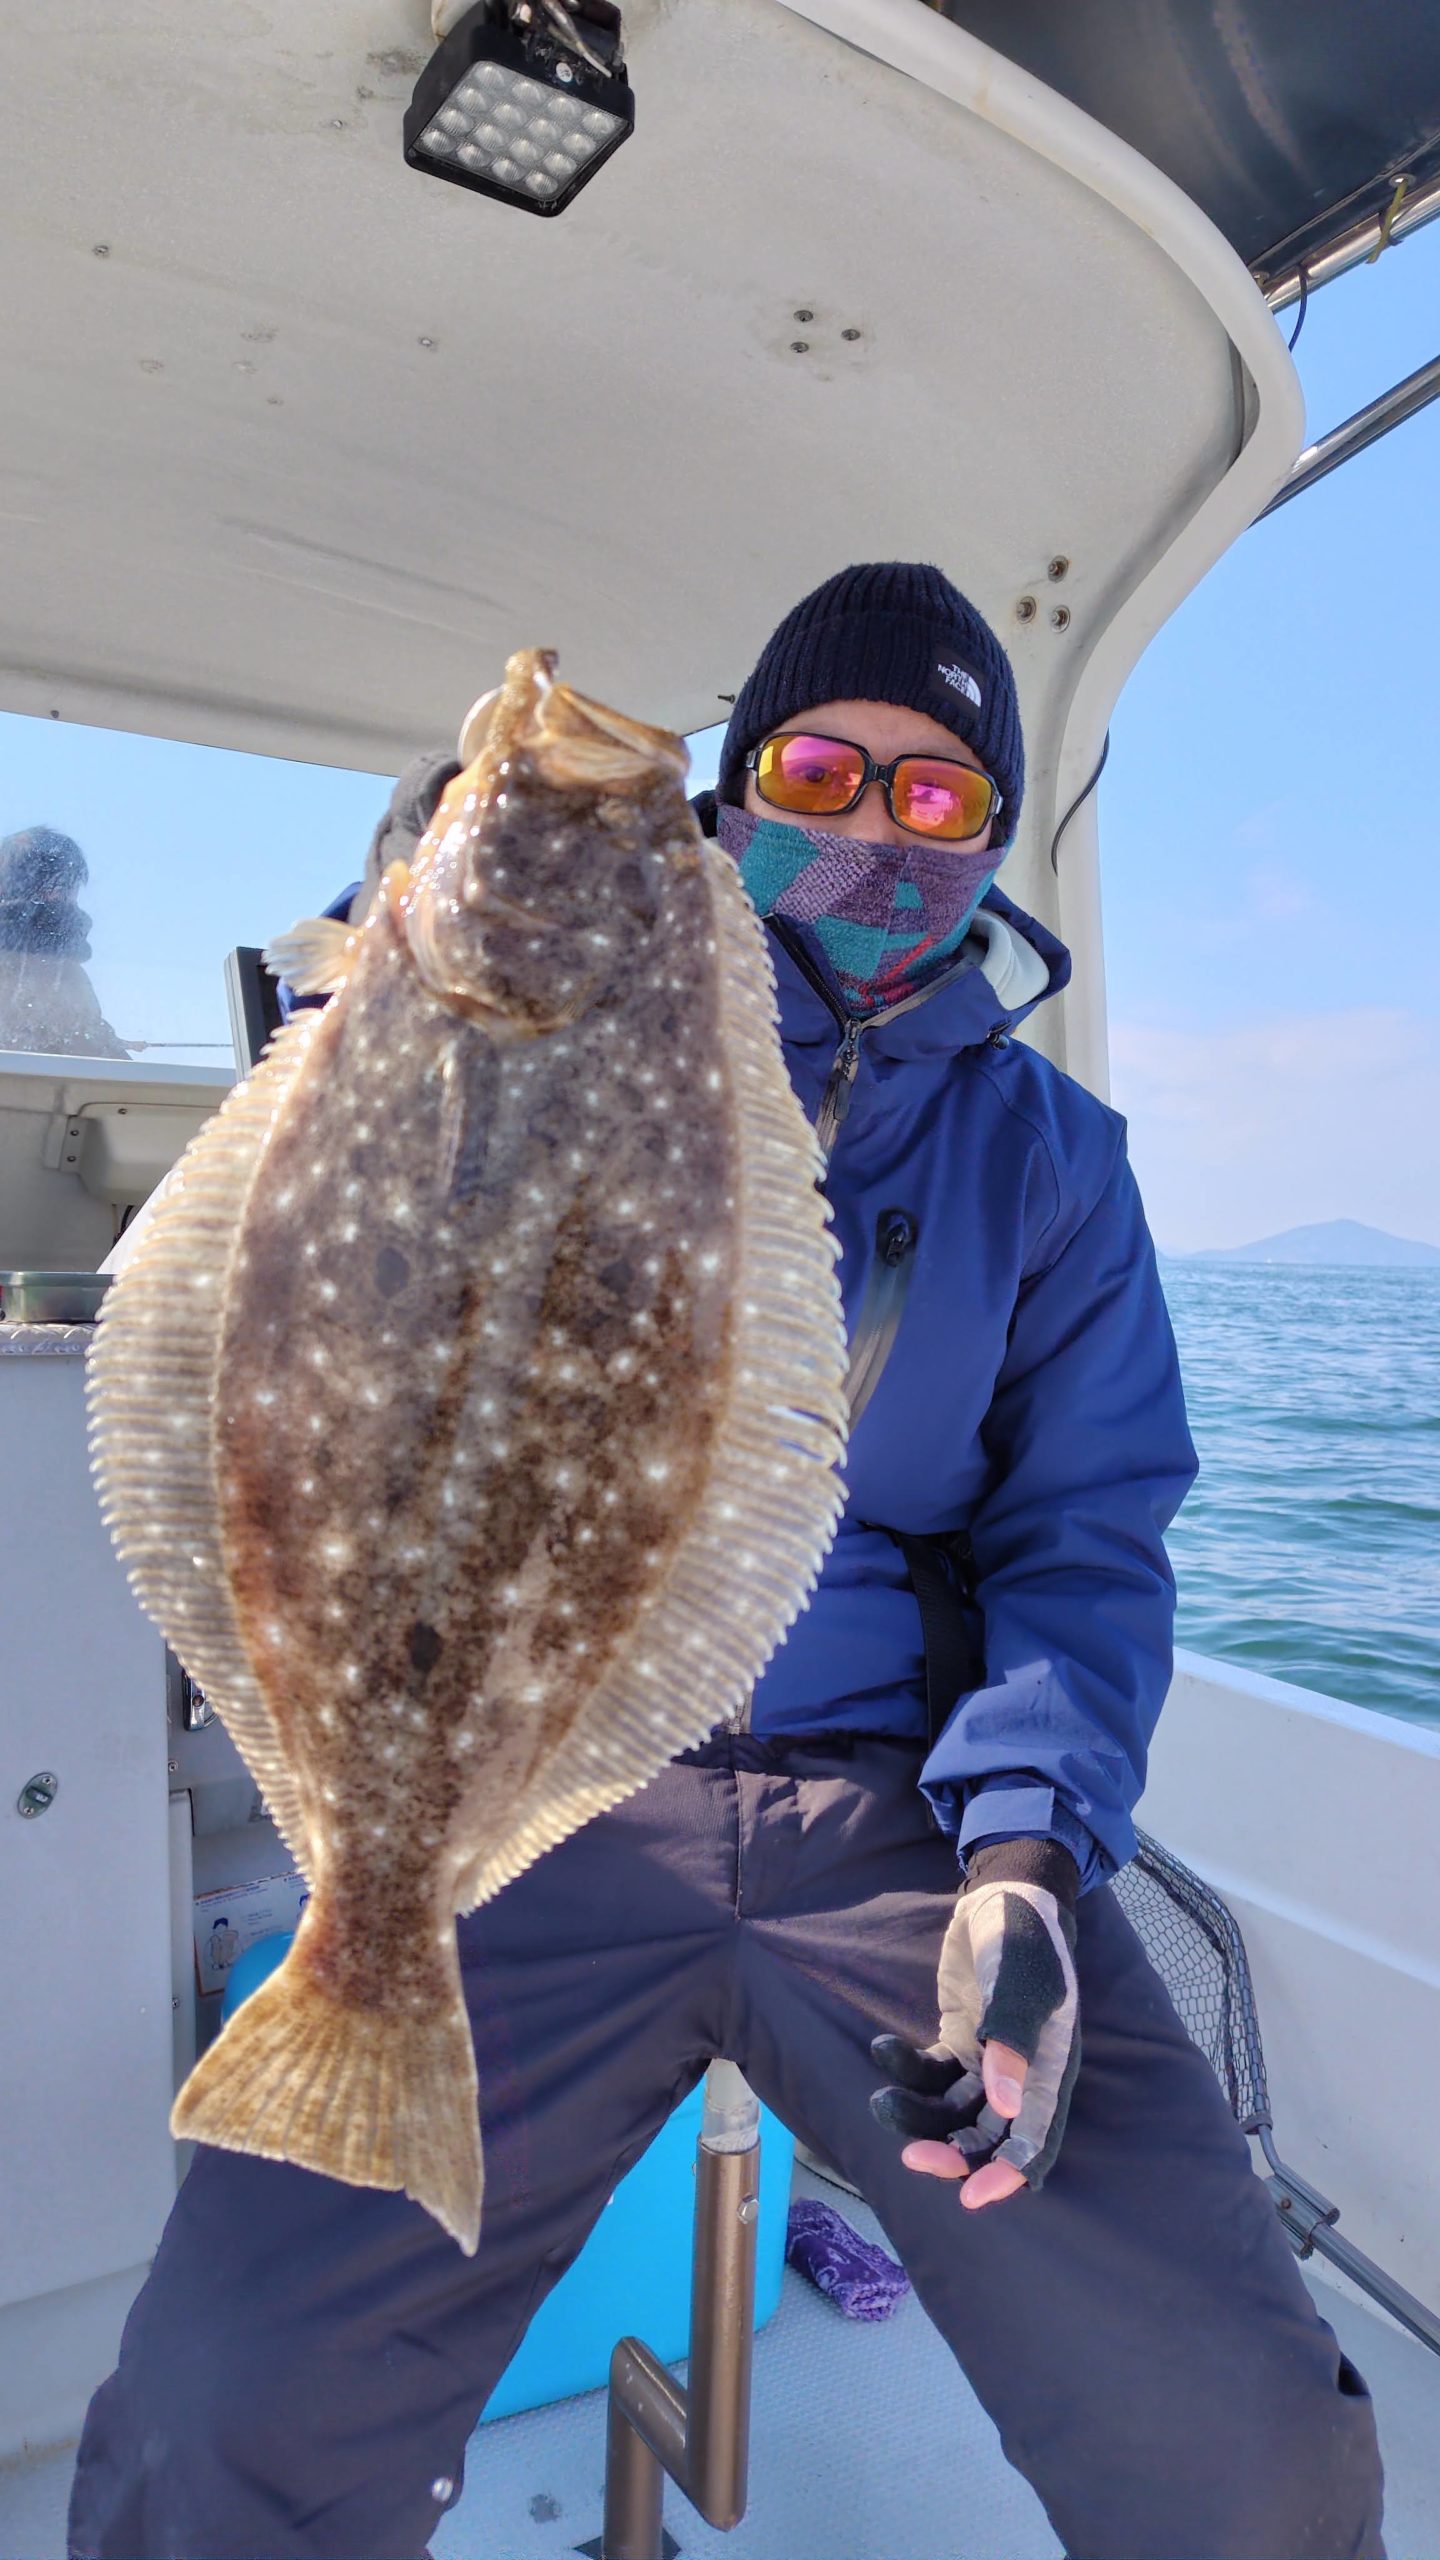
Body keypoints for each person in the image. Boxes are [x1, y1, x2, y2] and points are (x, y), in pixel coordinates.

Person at [67, 563, 1385, 2560]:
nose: (875, 824)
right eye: (823, 767)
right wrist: (396, 962)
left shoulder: (1050, 1162)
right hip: (528, 1815)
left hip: (900, 1824)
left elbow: (1081, 1536)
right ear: (733, 793)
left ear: (995, 839)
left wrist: (1027, 1864)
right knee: (220, 2423)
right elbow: (277, 1311)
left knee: (1251, 2453)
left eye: (940, 798)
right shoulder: (466, 1013)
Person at [0, 825, 128, 1057]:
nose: (73, 897)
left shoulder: (62, 969)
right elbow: (86, 1046)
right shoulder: (54, 970)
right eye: (64, 884)